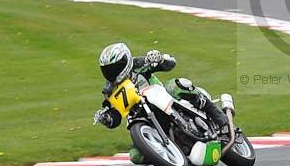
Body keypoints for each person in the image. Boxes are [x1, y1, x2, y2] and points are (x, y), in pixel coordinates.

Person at [93, 42, 229, 135]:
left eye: (115, 67)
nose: (111, 72)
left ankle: (220, 118)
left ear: (125, 61)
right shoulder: (109, 90)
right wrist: (107, 119)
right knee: (137, 156)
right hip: (141, 116)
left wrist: (160, 59)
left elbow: (171, 63)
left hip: (164, 96)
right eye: (107, 70)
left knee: (180, 84)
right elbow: (114, 116)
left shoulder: (138, 63)